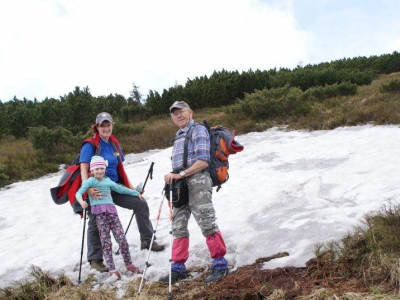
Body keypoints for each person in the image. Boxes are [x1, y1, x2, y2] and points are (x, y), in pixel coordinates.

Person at [80, 112, 164, 273]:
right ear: (97, 127)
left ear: (112, 125)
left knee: (140, 203)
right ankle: (95, 259)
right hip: (97, 187)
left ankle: (147, 240)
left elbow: (120, 170)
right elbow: (83, 168)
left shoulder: (114, 144)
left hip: (115, 185)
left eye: (108, 125)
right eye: (102, 125)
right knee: (95, 222)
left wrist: (132, 189)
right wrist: (88, 189)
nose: (106, 128)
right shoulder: (89, 145)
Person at [159, 101, 229, 284]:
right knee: (178, 225)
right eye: (174, 114)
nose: (178, 116)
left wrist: (180, 174)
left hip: (198, 180)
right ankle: (177, 268)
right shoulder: (179, 134)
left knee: (206, 221)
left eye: (181, 112)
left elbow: (203, 161)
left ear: (190, 112)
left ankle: (220, 265)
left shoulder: (197, 130)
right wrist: (175, 178)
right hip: (180, 185)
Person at [76, 156, 141, 279]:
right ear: (92, 171)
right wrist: (82, 202)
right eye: (97, 169)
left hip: (112, 215)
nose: (100, 171)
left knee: (122, 239)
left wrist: (136, 193)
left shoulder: (108, 181)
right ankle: (112, 269)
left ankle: (129, 264)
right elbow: (78, 193)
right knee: (106, 243)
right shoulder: (90, 182)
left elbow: (121, 189)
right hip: (101, 217)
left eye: (102, 168)